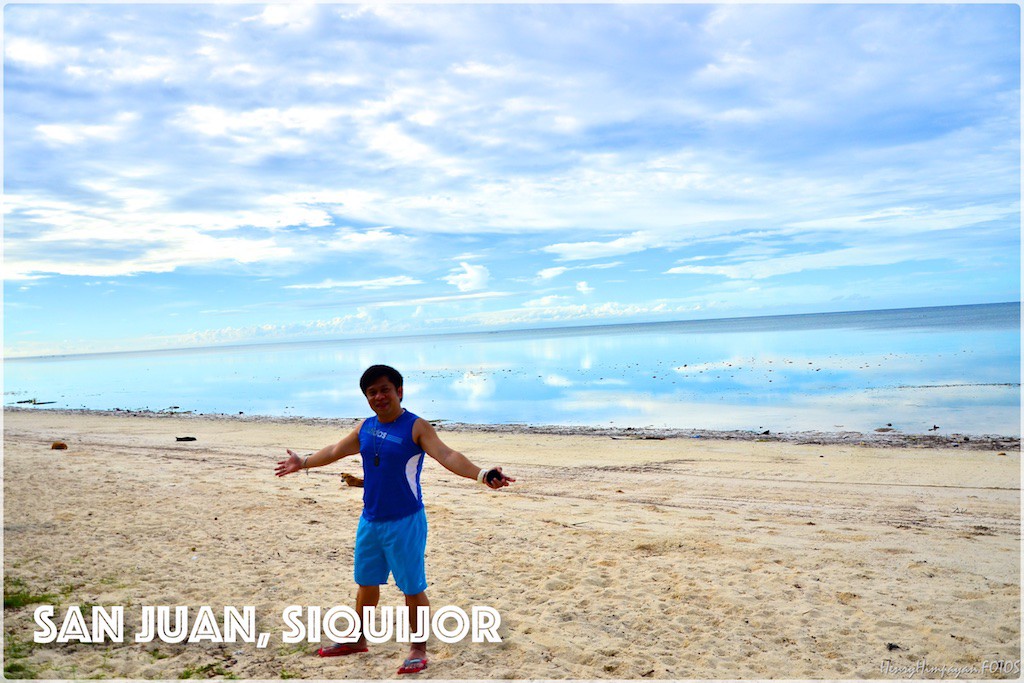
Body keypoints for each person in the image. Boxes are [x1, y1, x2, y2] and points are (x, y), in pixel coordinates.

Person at [274, 364, 514, 675]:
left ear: (399, 391)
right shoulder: (366, 428)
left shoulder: (416, 427)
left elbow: (448, 455)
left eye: (385, 389)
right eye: (371, 392)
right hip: (370, 520)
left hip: (405, 521)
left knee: (411, 587)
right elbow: (335, 450)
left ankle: (417, 648)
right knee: (366, 583)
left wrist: (482, 474)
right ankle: (357, 639)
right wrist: (303, 462)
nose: (379, 396)